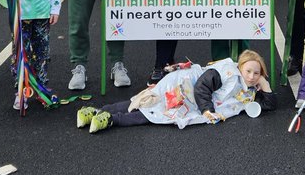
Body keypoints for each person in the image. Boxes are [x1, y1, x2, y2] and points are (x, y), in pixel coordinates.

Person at [74, 50, 276, 133]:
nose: (251, 76)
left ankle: (101, 113)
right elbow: (203, 86)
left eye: (256, 73)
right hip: (183, 86)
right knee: (150, 108)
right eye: (248, 71)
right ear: (240, 67)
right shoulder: (229, 73)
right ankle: (106, 116)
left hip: (191, 95)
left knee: (148, 106)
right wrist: (206, 110)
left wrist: (265, 86)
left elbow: (266, 106)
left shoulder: (248, 87)